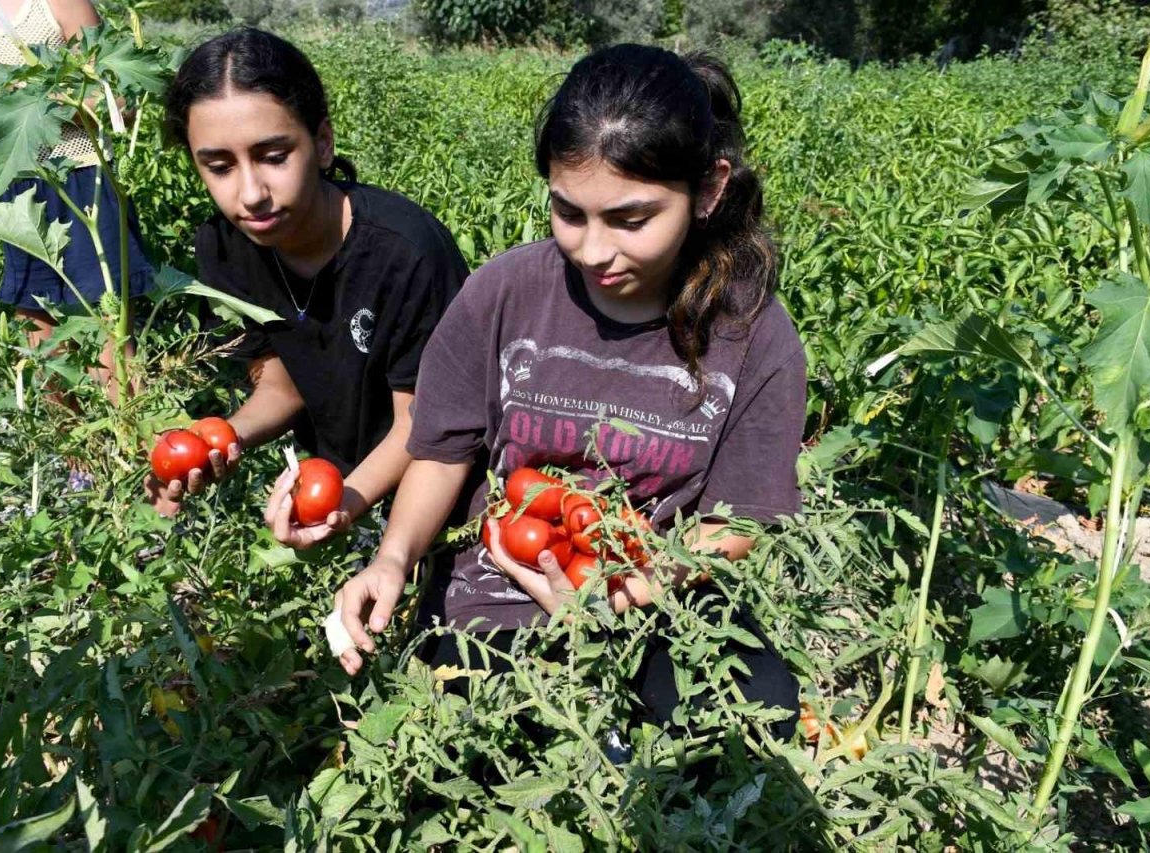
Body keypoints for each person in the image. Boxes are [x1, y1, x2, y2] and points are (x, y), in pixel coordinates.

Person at [331, 44, 805, 735]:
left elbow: (733, 523)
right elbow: (440, 449)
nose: (592, 249)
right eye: (569, 212)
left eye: (632, 219)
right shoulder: (505, 292)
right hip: (500, 588)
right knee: (484, 736)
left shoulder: (753, 332)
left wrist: (628, 589)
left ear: (708, 190)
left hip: (662, 596)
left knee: (753, 716)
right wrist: (392, 556)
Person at [153, 28, 469, 542]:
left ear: (322, 144)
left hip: (440, 493)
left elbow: (423, 422)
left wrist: (345, 500)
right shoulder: (223, 247)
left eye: (274, 156)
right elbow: (280, 387)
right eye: (219, 166)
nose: (251, 193)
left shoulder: (405, 251)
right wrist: (219, 442)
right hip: (335, 487)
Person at [0, 0, 155, 403]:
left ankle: (135, 452)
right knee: (42, 348)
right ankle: (70, 465)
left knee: (106, 340)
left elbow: (120, 104)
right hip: (16, 187)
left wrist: (25, 97)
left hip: (84, 178)